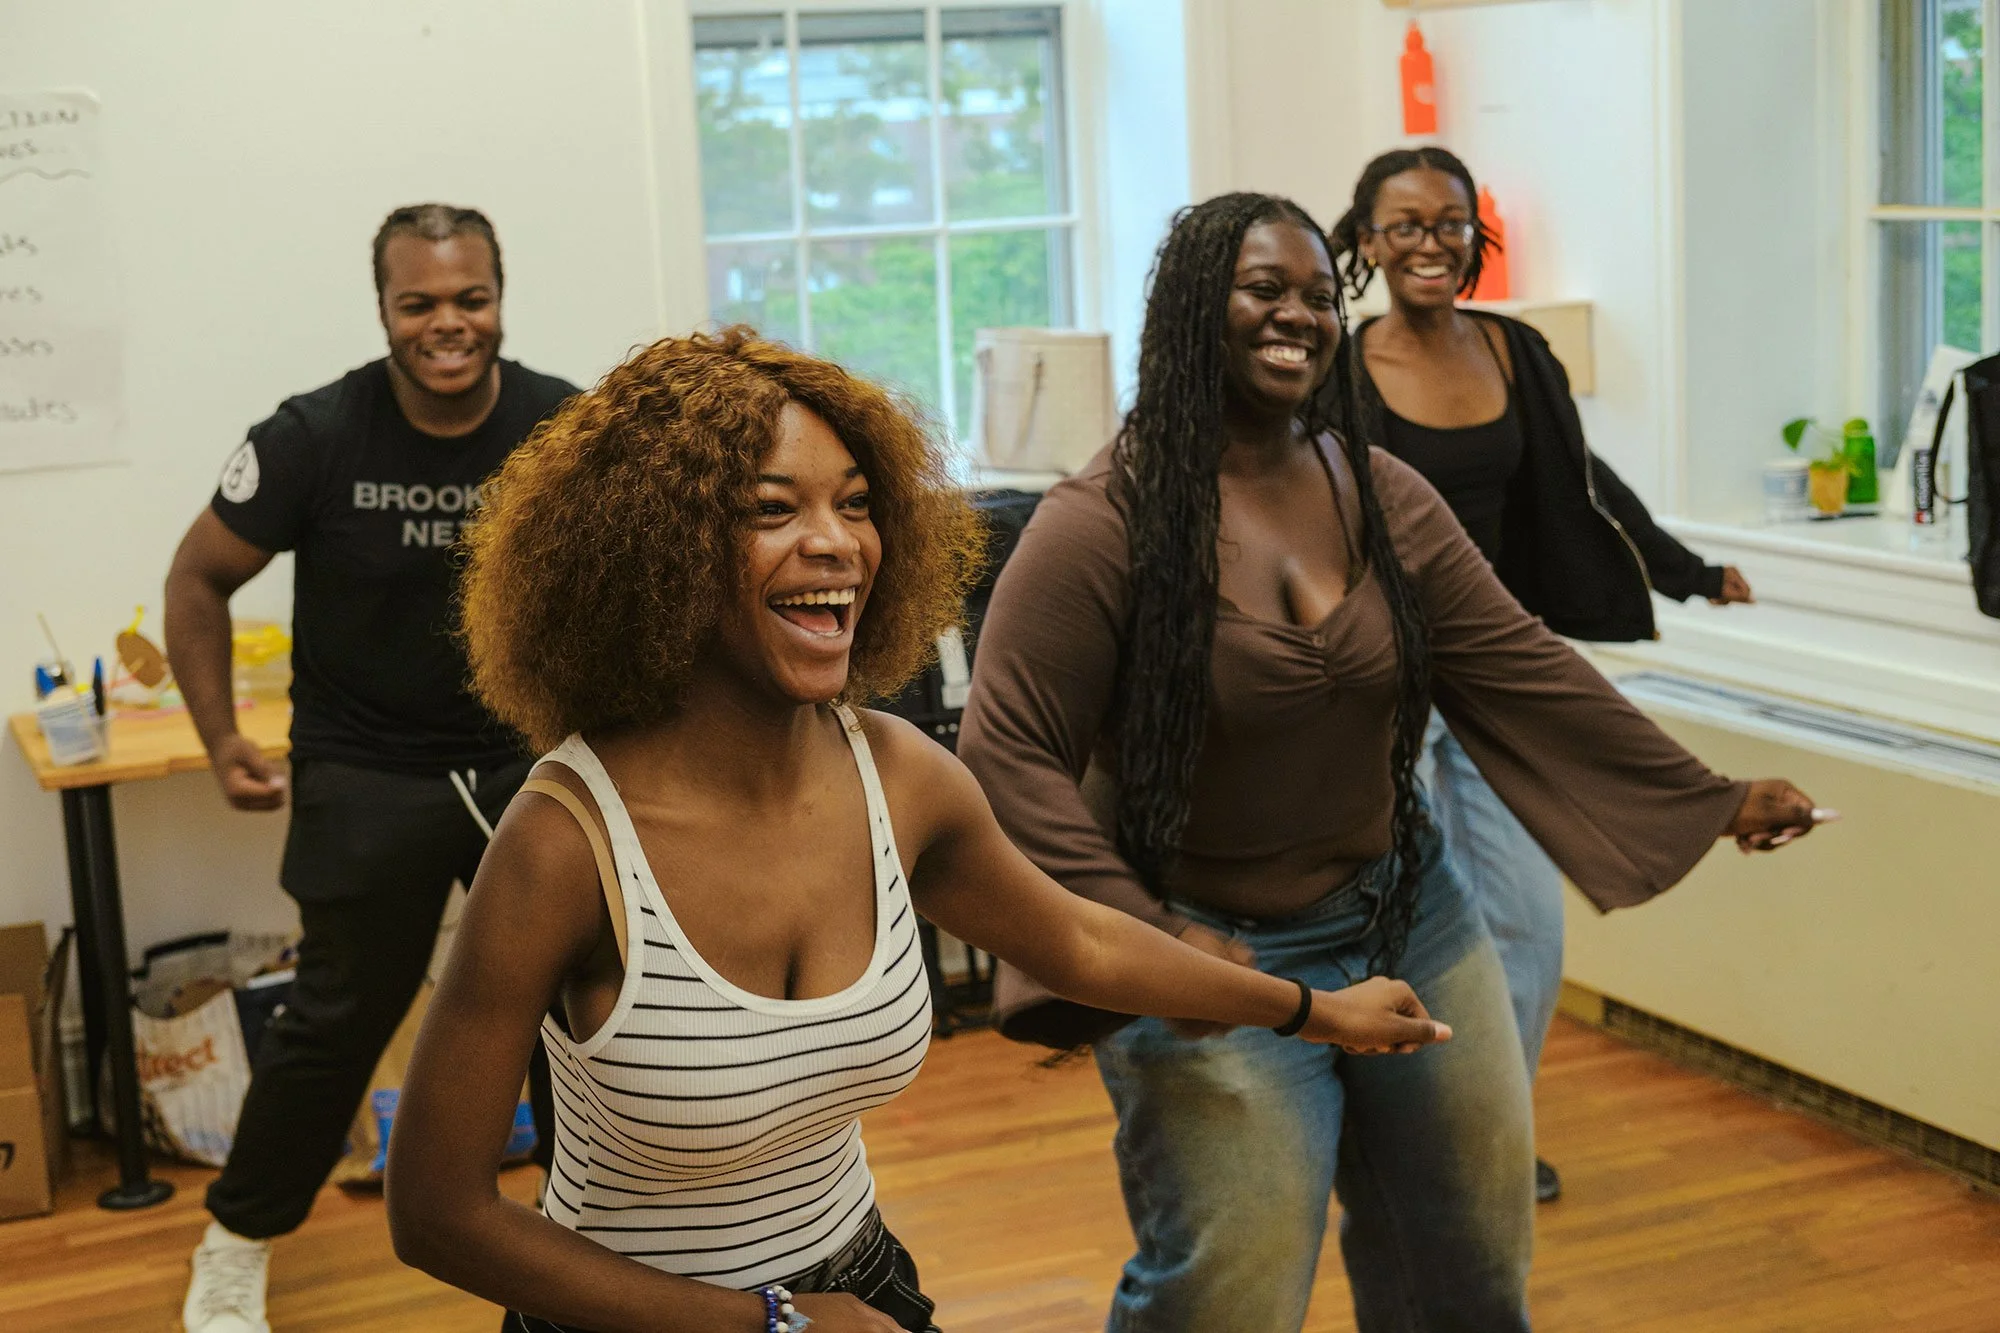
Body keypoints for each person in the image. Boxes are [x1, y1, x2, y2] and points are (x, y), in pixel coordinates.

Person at [379, 328, 1451, 1333]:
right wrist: (769, 1323)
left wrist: (1310, 1009)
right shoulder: (567, 841)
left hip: (859, 1287)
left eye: (854, 503)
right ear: (659, 553)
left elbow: (1076, 942)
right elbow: (436, 1212)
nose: (835, 542)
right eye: (771, 510)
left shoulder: (896, 777)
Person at [953, 192, 1819, 1333]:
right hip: (1211, 952)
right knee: (1228, 1296)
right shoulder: (1100, 523)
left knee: (1465, 1266)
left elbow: (1517, 665)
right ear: (1187, 310)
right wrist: (1147, 937)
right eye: (1263, 288)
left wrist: (1707, 798)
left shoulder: (1378, 490)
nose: (1297, 316)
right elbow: (1004, 753)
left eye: (1318, 295)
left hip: (1409, 918)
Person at [163, 204, 580, 1333]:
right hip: (366, 768)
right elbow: (197, 580)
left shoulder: (563, 427)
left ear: (500, 292)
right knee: (337, 1016)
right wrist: (219, 739)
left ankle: (582, 1236)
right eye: (420, 303)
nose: (448, 324)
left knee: (572, 1008)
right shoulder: (314, 435)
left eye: (469, 297)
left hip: (524, 766)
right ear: (384, 309)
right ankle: (237, 1240)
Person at [1330, 145, 1754, 1203]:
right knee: (1391, 918)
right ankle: (1389, 1141)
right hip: (1376, 688)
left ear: (1477, 237)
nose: (1430, 242)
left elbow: (1580, 482)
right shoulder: (1335, 371)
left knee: (1526, 920)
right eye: (1406, 224)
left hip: (1493, 674)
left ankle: (1490, 1136)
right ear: (1367, 240)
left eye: (1451, 222)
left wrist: (1684, 571)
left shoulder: (1515, 353)